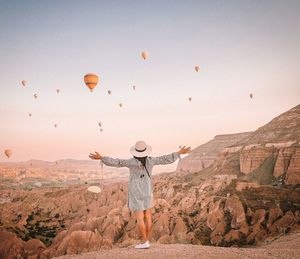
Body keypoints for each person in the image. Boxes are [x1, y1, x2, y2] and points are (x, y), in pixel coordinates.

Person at [89, 140, 191, 249]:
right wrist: (178, 153)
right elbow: (165, 159)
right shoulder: (151, 160)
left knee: (140, 218)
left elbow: (117, 162)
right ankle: (146, 240)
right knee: (148, 216)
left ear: (135, 152)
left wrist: (102, 158)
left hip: (136, 192)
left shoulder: (131, 162)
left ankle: (144, 242)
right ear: (146, 151)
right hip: (147, 191)